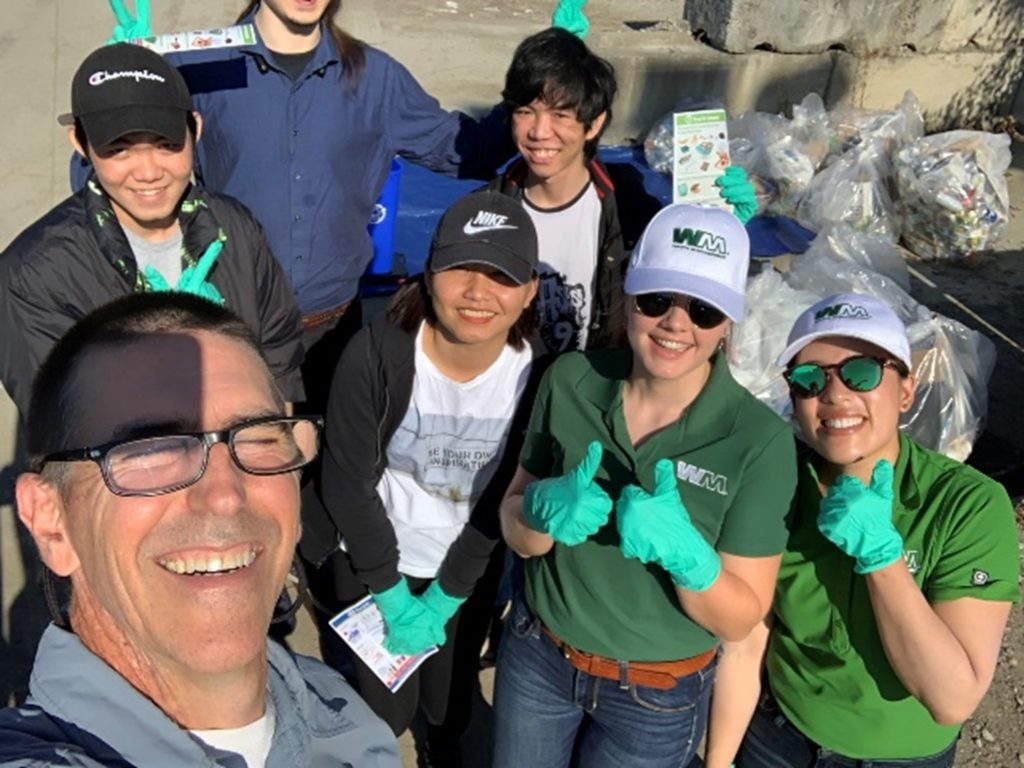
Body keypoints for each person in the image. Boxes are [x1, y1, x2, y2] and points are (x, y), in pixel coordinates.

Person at [0, 292, 399, 767]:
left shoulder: (343, 712)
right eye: (148, 450)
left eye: (258, 437)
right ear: (51, 522)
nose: (224, 494)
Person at [493, 202, 797, 768]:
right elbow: (514, 526)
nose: (676, 323)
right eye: (658, 300)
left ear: (728, 322)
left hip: (654, 695)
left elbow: (737, 621)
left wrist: (690, 559)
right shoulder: (571, 380)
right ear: (630, 298)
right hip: (540, 658)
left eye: (703, 309)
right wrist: (538, 510)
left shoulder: (759, 442)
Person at [703, 293, 1021, 768]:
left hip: (900, 759)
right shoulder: (779, 485)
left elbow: (952, 699)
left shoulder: (967, 505)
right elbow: (747, 645)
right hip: (779, 740)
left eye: (862, 372)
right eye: (809, 380)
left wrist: (881, 558)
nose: (834, 395)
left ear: (906, 390)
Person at [155, 0, 513, 411]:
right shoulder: (197, 68)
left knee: (323, 465)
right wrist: (125, 89)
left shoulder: (376, 78)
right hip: (230, 330)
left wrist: (533, 85)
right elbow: (125, 173)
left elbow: (465, 152)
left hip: (333, 331)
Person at [306, 191, 546, 764]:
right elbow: (347, 484)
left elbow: (501, 499)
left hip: (464, 567)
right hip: (372, 557)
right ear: (430, 271)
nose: (478, 293)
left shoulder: (537, 376)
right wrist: (389, 592)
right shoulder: (377, 353)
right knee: (384, 714)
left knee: (448, 709)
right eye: (461, 267)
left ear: (530, 291)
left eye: (502, 276)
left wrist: (444, 599)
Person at [1, 42, 303, 420]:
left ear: (196, 129)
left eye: (166, 145)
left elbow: (278, 349)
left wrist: (284, 436)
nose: (148, 172)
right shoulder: (30, 275)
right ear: (80, 143)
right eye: (120, 149)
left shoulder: (236, 226)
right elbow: (65, 419)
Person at [487, 27, 758, 355]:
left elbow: (684, 306)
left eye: (560, 114)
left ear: (595, 124)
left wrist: (722, 225)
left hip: (593, 389)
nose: (540, 132)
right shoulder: (486, 213)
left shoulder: (630, 207)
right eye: (526, 112)